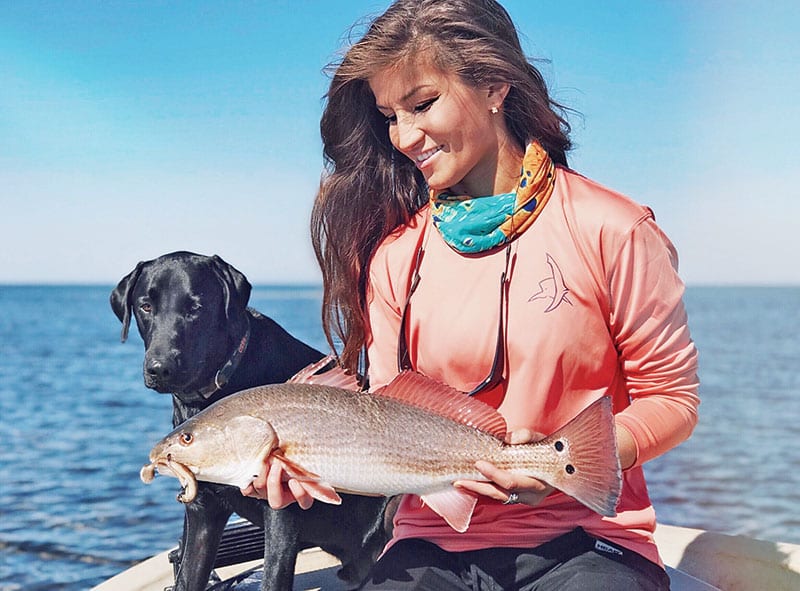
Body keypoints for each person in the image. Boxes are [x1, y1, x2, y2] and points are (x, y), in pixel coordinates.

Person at [242, 1, 699, 589]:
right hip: (430, 541)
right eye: (389, 115)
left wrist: (567, 459)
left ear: (494, 84)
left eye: (422, 104)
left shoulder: (613, 229)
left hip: (589, 542)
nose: (404, 136)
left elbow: (672, 400)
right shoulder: (394, 257)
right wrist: (307, 469)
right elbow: (384, 417)